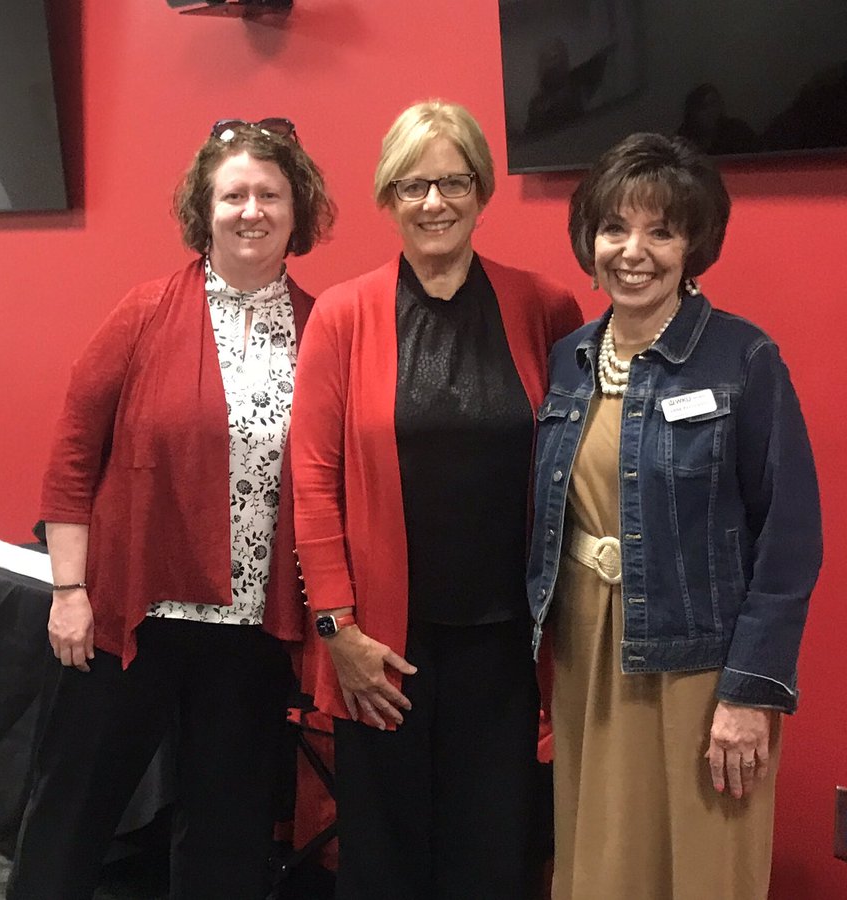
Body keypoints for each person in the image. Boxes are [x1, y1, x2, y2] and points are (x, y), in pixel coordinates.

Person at [6, 117, 335, 900]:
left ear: (297, 211)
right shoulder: (145, 312)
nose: (250, 210)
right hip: (132, 617)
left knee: (228, 828)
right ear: (204, 210)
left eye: (269, 193)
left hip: (251, 631)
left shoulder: (325, 326)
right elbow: (73, 457)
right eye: (233, 195)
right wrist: (68, 592)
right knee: (72, 808)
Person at [289, 100, 582, 899]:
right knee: (386, 859)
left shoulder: (546, 309)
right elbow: (311, 480)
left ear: (482, 189)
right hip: (384, 646)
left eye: (452, 181)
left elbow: (571, 468)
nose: (434, 203)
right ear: (388, 197)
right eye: (413, 185)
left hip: (507, 647)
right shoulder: (345, 315)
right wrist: (338, 631)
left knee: (493, 853)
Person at [527, 132, 822, 899]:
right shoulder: (570, 360)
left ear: (695, 243)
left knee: (701, 866)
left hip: (699, 664)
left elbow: (789, 541)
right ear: (588, 240)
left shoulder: (743, 360)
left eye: (662, 230)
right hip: (589, 651)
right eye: (615, 228)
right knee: (600, 856)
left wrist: (751, 692)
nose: (634, 251)